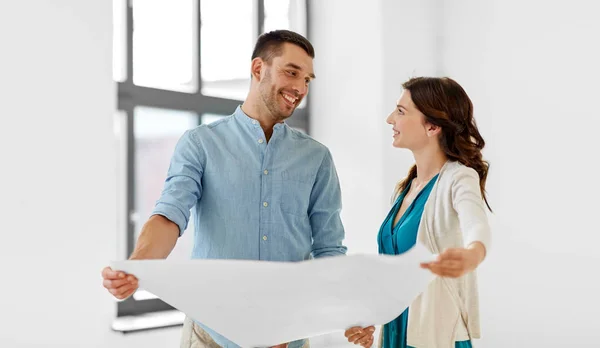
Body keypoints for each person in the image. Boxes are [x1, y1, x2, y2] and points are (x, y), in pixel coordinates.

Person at [101, 30, 347, 348]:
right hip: (211, 335)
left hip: (287, 338)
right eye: (291, 72)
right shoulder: (201, 143)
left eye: (308, 80)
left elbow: (329, 249)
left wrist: (342, 310)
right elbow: (170, 214)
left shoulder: (316, 158)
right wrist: (138, 266)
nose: (300, 88)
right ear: (258, 68)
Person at [344, 77, 492, 348]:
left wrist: (474, 254)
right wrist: (371, 317)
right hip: (396, 335)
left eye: (401, 112)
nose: (390, 119)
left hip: (435, 336)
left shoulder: (459, 178)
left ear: (432, 126)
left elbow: (476, 223)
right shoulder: (405, 189)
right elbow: (395, 273)